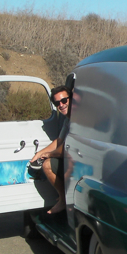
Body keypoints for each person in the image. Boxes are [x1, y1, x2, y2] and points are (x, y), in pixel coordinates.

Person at [30, 85, 80, 214]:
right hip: (73, 159)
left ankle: (64, 200)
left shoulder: (78, 119)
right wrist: (39, 153)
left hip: (80, 161)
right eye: (57, 103)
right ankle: (64, 197)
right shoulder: (67, 120)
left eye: (64, 100)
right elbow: (59, 140)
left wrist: (48, 154)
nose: (61, 105)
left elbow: (66, 148)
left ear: (72, 99)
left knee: (47, 164)